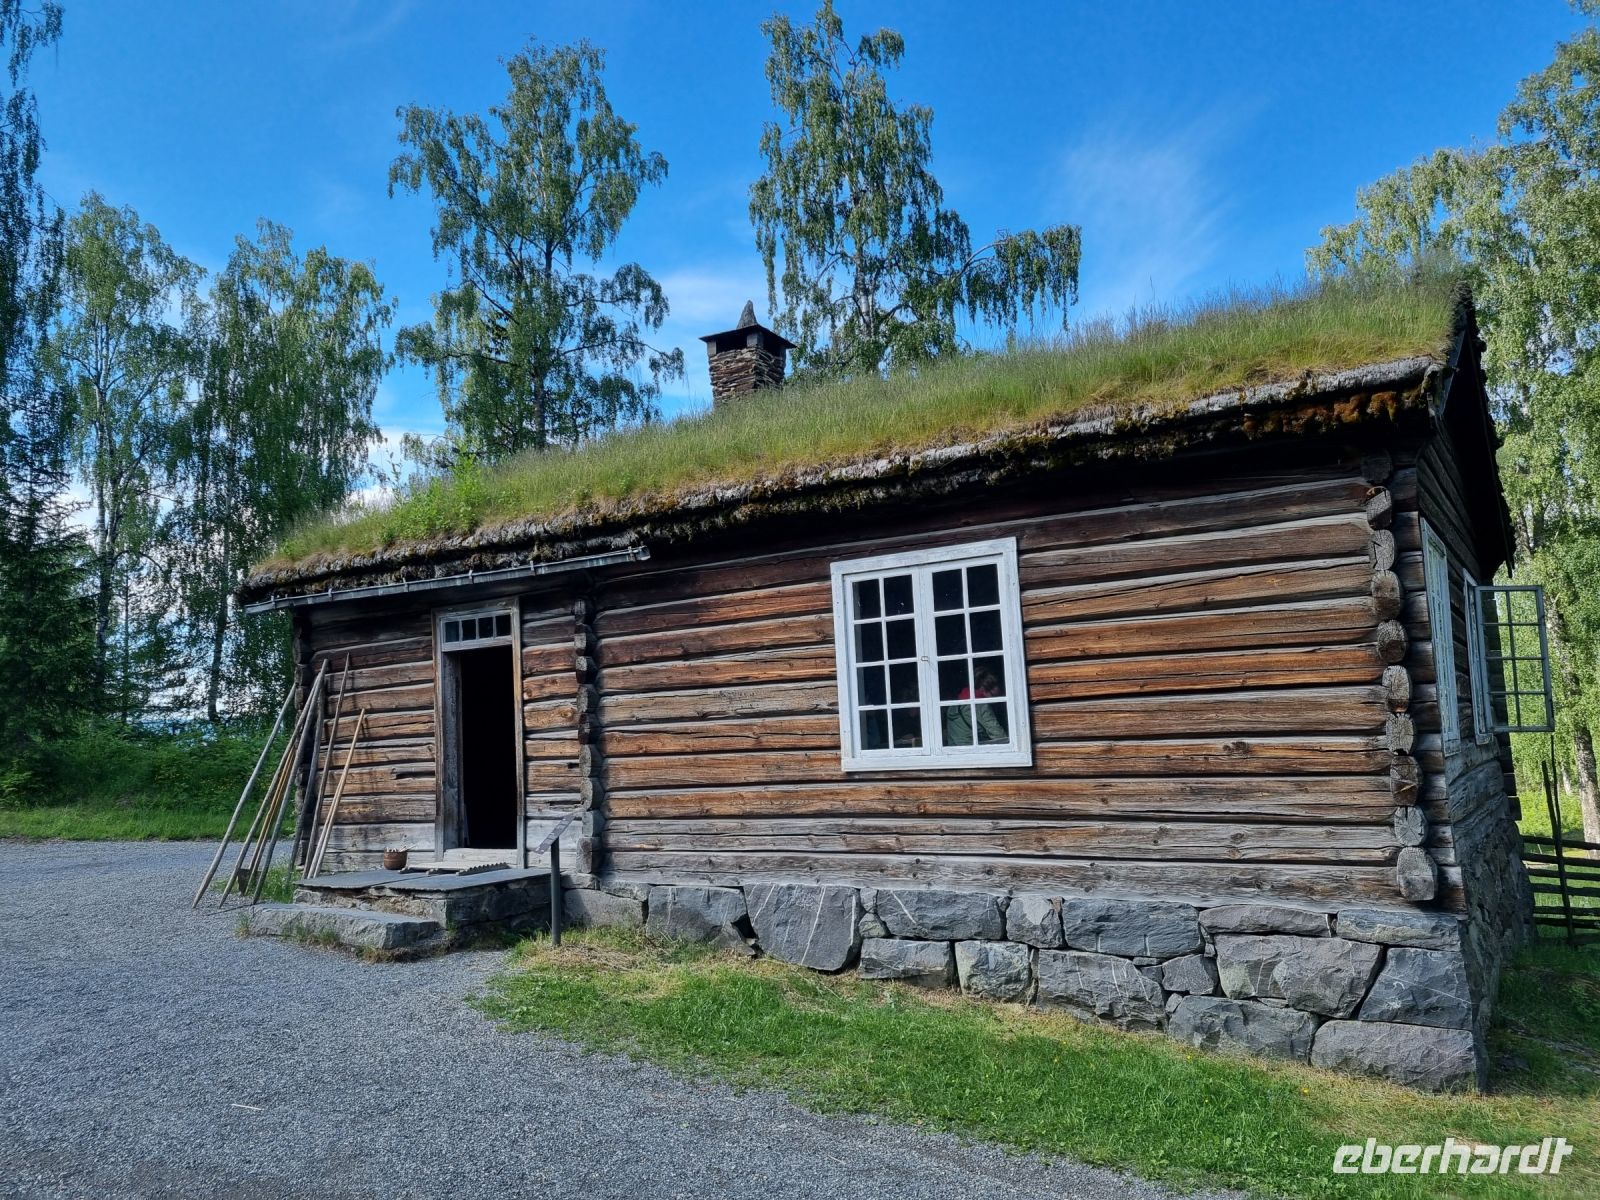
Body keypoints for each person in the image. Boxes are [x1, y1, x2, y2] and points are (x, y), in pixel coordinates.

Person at [944, 664, 1008, 746]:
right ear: (984, 689)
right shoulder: (979, 705)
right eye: (994, 696)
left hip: (955, 752)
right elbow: (998, 734)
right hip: (973, 751)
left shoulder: (956, 703)